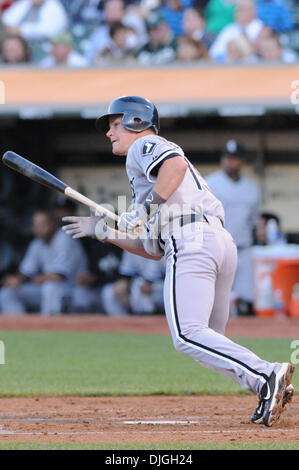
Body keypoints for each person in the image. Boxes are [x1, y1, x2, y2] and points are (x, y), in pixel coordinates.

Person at [62, 95, 295, 427]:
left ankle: (267, 373)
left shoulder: (145, 147)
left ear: (136, 122)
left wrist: (143, 210)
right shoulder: (151, 181)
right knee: (208, 340)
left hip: (192, 240)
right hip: (215, 242)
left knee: (187, 334)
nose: (109, 133)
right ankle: (265, 383)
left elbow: (175, 165)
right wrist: (104, 232)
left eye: (115, 125)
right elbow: (152, 248)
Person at [206, 140, 261, 316]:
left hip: (243, 248)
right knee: (217, 299)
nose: (230, 161)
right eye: (227, 157)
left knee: (247, 297)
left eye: (234, 158)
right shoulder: (210, 184)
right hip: (217, 248)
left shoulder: (252, 189)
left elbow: (254, 222)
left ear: (242, 161)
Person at [0, 210, 87, 315]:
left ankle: (49, 326)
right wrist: (15, 280)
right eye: (35, 225)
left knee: (51, 287)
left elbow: (58, 277)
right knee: (7, 293)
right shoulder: (37, 243)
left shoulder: (64, 238)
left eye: (41, 225)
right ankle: (19, 328)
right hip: (44, 289)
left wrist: (34, 279)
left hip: (72, 290)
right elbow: (26, 271)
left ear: (52, 225)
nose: (37, 229)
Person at [101, 250, 165, 315]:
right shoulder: (133, 243)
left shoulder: (162, 244)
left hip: (163, 286)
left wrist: (153, 287)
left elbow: (155, 278)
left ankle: (152, 320)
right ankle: (124, 323)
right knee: (109, 291)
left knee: (140, 291)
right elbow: (126, 273)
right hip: (139, 285)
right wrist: (123, 285)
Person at [2, 0, 68, 41]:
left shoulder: (54, 6)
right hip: (20, 42)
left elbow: (49, 30)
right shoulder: (26, 3)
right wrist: (12, 29)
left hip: (44, 45)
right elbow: (7, 19)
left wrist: (22, 30)